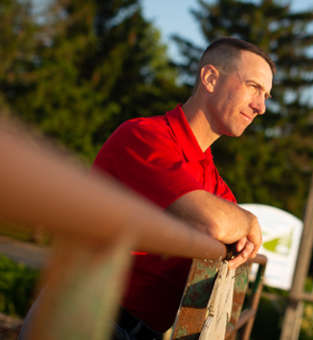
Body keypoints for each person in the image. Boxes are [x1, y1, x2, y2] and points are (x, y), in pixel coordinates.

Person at [92, 37, 274, 339]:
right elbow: (216, 221)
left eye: (266, 95)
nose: (261, 107)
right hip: (88, 317)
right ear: (211, 78)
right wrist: (249, 221)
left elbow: (236, 231)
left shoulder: (211, 178)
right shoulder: (144, 136)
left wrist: (242, 225)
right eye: (254, 87)